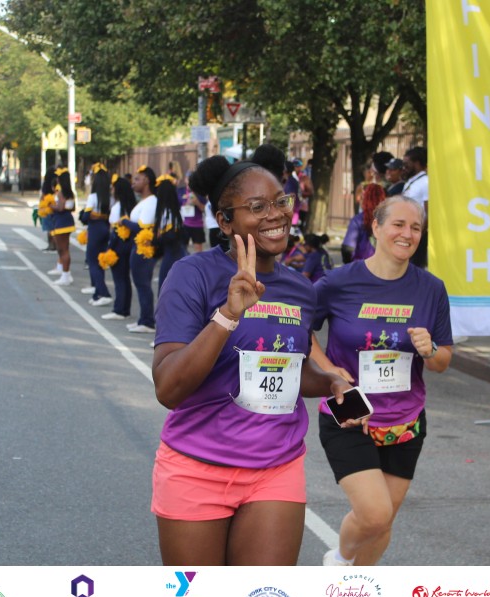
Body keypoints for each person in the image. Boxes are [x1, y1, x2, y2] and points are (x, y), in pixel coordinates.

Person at [149, 146, 352, 566]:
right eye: (257, 207)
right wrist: (227, 315)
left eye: (281, 201)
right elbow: (169, 388)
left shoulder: (300, 288)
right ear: (225, 221)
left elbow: (290, 368)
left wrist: (330, 381)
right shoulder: (193, 275)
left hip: (276, 467)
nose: (276, 215)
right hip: (197, 466)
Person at [309, 195, 452, 566]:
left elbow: (442, 361)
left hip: (405, 419)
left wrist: (430, 349)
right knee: (374, 513)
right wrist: (329, 369)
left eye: (416, 227)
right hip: (350, 409)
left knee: (384, 520)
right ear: (376, 226)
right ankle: (339, 561)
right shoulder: (339, 282)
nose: (407, 234)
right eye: (398, 225)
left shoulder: (431, 288)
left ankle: (357, 585)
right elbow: (301, 329)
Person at [126, 165, 159, 333]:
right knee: (139, 283)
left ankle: (147, 321)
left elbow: (142, 227)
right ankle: (143, 318)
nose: (133, 182)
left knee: (143, 283)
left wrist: (124, 222)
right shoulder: (145, 201)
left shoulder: (151, 201)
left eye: (137, 179)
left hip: (144, 248)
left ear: (146, 180)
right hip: (137, 246)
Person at [102, 174, 138, 321]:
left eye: (113, 188)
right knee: (125, 278)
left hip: (118, 243)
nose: (111, 191)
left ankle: (119, 310)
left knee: (119, 278)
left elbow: (114, 228)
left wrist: (110, 247)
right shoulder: (132, 206)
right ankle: (124, 309)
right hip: (129, 244)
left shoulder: (118, 207)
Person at [81, 163, 113, 307]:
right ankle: (97, 294)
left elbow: (85, 216)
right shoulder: (111, 197)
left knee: (92, 261)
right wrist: (101, 216)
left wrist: (93, 216)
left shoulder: (93, 197)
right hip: (105, 228)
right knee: (100, 261)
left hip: (95, 230)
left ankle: (104, 293)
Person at [153, 174, 187, 293]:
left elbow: (170, 236)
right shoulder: (174, 211)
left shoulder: (167, 213)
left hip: (171, 256)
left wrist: (157, 238)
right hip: (178, 254)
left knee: (166, 290)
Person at [342, 183, 385, 264]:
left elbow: (348, 249)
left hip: (361, 266)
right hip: (383, 267)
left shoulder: (358, 220)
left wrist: (350, 266)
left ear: (366, 199)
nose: (360, 200)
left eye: (362, 197)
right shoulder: (388, 220)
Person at [401, 147, 429, 267]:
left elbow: (428, 212)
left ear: (416, 164)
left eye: (407, 164)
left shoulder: (425, 182)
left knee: (415, 268)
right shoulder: (412, 181)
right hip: (407, 232)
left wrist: (418, 234)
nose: (404, 167)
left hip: (417, 235)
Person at [49, 168, 76, 286]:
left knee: (63, 249)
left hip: (61, 222)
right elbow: (72, 208)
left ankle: (66, 275)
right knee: (63, 249)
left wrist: (50, 205)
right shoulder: (70, 193)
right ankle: (65, 273)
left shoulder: (61, 193)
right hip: (67, 221)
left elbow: (60, 208)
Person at [179, 171, 206, 252]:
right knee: (182, 249)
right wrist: (186, 204)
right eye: (188, 178)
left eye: (192, 178)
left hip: (197, 225)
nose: (190, 181)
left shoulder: (200, 192)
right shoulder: (181, 191)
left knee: (198, 251)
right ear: (185, 179)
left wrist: (197, 203)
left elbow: (204, 209)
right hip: (184, 224)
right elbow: (177, 206)